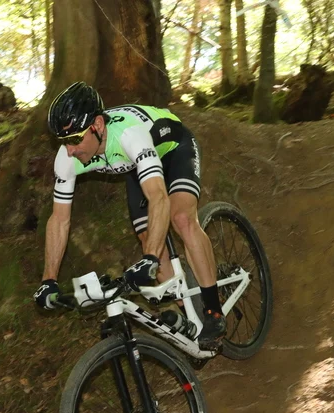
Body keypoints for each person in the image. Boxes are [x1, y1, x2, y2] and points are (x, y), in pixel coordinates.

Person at [33, 82, 226, 348]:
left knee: (181, 218)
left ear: (98, 125)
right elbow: (59, 219)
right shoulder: (67, 157)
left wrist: (149, 260)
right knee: (148, 238)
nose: (70, 150)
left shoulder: (129, 135)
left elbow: (158, 197)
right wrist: (49, 280)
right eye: (63, 141)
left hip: (174, 149)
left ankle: (214, 311)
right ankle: (187, 311)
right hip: (135, 165)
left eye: (75, 139)